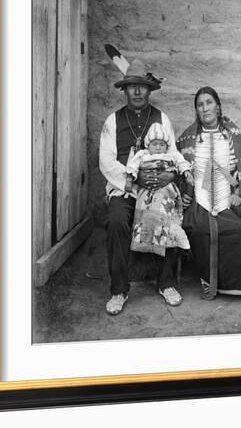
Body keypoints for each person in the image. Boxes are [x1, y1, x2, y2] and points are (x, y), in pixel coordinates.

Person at [99, 56, 184, 315]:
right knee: (116, 220)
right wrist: (133, 179)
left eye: (142, 86)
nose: (137, 91)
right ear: (124, 90)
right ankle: (119, 290)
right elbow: (105, 160)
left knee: (169, 215)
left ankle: (166, 283)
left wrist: (167, 177)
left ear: (149, 89)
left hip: (157, 185)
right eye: (131, 86)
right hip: (125, 187)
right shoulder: (112, 121)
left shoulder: (162, 119)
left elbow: (173, 154)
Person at [176, 86, 241, 300]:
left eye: (209, 102)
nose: (205, 108)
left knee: (240, 228)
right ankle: (208, 278)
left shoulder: (235, 135)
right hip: (199, 198)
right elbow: (177, 169)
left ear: (218, 106)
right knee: (199, 228)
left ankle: (236, 282)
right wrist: (185, 191)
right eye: (200, 104)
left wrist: (239, 193)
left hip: (228, 197)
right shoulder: (187, 138)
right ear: (196, 110)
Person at [125, 122, 192, 258]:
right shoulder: (143, 154)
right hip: (147, 189)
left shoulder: (171, 154)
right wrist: (129, 179)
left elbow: (181, 162)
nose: (158, 148)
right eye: (154, 144)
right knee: (145, 212)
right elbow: (132, 165)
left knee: (163, 211)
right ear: (148, 145)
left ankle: (173, 236)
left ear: (166, 146)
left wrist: (186, 172)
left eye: (162, 144)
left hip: (166, 188)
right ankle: (144, 241)